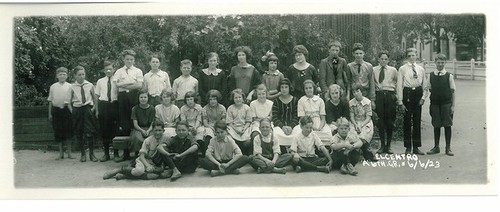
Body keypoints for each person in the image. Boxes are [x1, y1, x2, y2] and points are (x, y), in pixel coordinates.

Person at [103, 120, 172, 180]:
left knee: (155, 175)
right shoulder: (148, 140)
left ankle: (126, 176)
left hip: (156, 163)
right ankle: (120, 170)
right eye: (155, 130)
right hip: (144, 160)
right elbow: (142, 156)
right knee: (139, 171)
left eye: (160, 130)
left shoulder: (167, 138)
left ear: (163, 130)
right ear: (152, 130)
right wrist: (147, 165)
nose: (157, 133)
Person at [423, 54, 456, 156]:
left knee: (447, 125)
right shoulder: (431, 75)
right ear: (435, 63)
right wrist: (423, 98)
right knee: (436, 125)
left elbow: (453, 92)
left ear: (445, 63)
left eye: (442, 62)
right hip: (435, 104)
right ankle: (436, 147)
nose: (440, 64)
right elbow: (426, 89)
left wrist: (453, 106)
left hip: (446, 104)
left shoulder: (449, 76)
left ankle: (448, 147)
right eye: (438, 62)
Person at [397, 48, 426, 155]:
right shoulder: (402, 69)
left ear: (416, 56)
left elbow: (425, 84)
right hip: (407, 93)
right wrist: (400, 101)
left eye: (413, 55)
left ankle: (416, 147)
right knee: (407, 121)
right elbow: (399, 85)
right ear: (407, 57)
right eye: (409, 56)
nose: (412, 58)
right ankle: (408, 147)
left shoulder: (421, 69)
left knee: (417, 120)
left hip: (417, 93)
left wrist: (423, 97)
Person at [67, 66, 98, 162]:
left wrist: (94, 109)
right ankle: (83, 154)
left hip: (88, 109)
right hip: (77, 110)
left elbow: (95, 98)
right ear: (75, 76)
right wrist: (73, 111)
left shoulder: (90, 85)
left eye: (83, 74)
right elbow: (68, 102)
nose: (81, 76)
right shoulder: (72, 87)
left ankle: (92, 154)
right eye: (79, 75)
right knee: (79, 132)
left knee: (90, 132)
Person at [372, 50, 400, 155]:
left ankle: (388, 146)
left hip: (390, 96)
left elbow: (398, 83)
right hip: (379, 95)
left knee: (390, 121)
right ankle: (382, 145)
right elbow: (372, 84)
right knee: (380, 122)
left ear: (388, 60)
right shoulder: (374, 70)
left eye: (385, 59)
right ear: (378, 59)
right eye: (381, 59)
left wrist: (397, 97)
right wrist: (373, 100)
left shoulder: (393, 70)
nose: (383, 61)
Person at [113, 49, 144, 136]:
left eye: (131, 59)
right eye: (127, 59)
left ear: (134, 60)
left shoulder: (138, 71)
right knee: (123, 117)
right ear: (124, 59)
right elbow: (116, 84)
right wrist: (130, 83)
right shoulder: (119, 71)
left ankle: (135, 137)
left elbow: (139, 85)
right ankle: (125, 139)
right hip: (122, 97)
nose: (129, 61)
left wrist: (123, 84)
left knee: (134, 116)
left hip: (134, 96)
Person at [95, 61, 119, 162]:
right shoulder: (100, 81)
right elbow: (96, 96)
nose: (108, 71)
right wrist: (96, 110)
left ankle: (116, 153)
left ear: (114, 70)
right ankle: (106, 154)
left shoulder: (117, 80)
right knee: (105, 130)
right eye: (106, 69)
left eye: (110, 69)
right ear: (104, 71)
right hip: (104, 106)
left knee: (115, 129)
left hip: (114, 105)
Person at [47, 67, 73, 160]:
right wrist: (50, 114)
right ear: (57, 76)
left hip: (66, 111)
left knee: (68, 132)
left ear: (67, 76)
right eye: (60, 74)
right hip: (56, 111)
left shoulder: (70, 86)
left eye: (64, 74)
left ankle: (69, 153)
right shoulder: (53, 86)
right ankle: (61, 153)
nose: (62, 76)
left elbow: (72, 100)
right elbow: (50, 101)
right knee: (58, 132)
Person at [349, 83, 377, 161]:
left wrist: (361, 125)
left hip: (365, 122)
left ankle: (367, 151)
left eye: (357, 91)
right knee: (353, 133)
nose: (356, 93)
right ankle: (358, 152)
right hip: (355, 122)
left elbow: (368, 117)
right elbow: (351, 116)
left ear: (361, 91)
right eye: (354, 92)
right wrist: (355, 124)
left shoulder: (367, 102)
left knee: (363, 133)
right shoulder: (351, 103)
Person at [271, 78, 301, 148]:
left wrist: (291, 126)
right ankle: (281, 152)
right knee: (275, 134)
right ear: (279, 88)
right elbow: (275, 117)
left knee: (299, 133)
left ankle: (295, 151)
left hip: (293, 126)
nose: (284, 89)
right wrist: (282, 126)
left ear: (289, 88)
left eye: (286, 87)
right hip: (280, 126)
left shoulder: (295, 100)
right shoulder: (276, 101)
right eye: (282, 87)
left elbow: (297, 116)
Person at [129, 91, 156, 159]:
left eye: (145, 97)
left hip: (149, 128)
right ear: (138, 98)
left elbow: (152, 123)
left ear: (148, 98)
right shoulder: (135, 109)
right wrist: (142, 131)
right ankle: (137, 157)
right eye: (141, 97)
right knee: (137, 138)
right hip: (138, 128)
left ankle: (149, 156)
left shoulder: (152, 108)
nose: (143, 99)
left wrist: (148, 131)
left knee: (152, 138)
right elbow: (135, 124)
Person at [226, 89, 253, 155]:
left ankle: (245, 154)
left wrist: (244, 129)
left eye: (239, 97)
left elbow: (248, 121)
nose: (238, 99)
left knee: (248, 141)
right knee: (230, 139)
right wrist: (236, 130)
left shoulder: (247, 108)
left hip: (244, 127)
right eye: (236, 98)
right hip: (233, 127)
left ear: (243, 98)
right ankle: (234, 154)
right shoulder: (230, 108)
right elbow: (229, 122)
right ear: (233, 99)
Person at [201, 89, 227, 156]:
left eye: (214, 99)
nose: (213, 101)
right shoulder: (204, 109)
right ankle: (206, 155)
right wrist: (211, 127)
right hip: (209, 126)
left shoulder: (222, 108)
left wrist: (218, 127)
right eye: (211, 99)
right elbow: (205, 122)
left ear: (217, 99)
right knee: (208, 134)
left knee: (223, 134)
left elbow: (223, 121)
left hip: (220, 125)